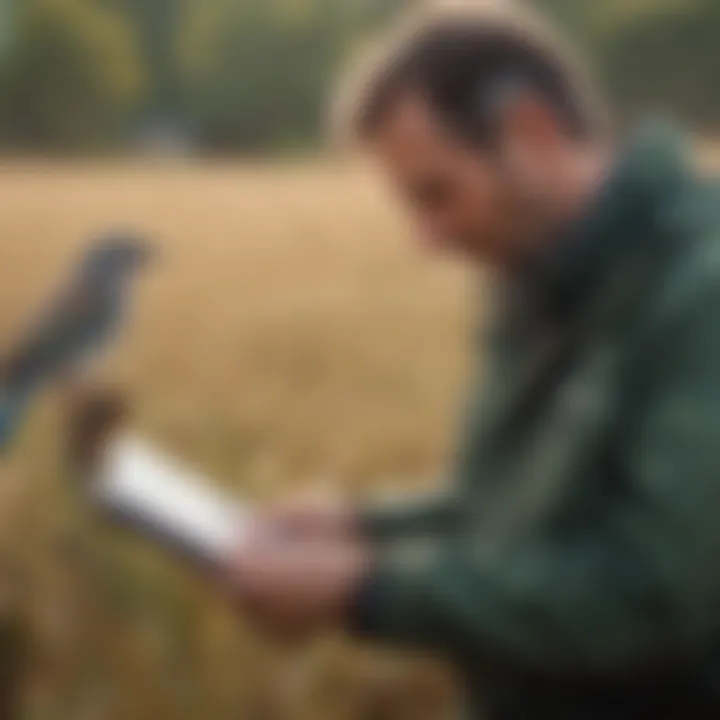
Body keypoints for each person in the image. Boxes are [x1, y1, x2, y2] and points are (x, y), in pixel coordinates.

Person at [226, 2, 720, 717]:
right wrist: (363, 528)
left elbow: (655, 595)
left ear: (532, 131)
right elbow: (525, 508)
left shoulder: (699, 293)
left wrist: (368, 591)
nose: (426, 238)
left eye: (437, 194)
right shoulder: (537, 273)